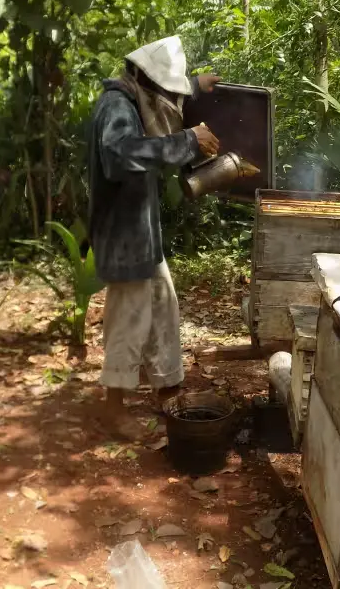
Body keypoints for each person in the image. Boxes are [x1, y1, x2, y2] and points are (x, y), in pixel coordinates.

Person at [87, 35, 220, 441]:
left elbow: (164, 99)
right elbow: (120, 154)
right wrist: (187, 142)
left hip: (140, 229)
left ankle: (169, 390)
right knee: (129, 317)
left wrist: (196, 86)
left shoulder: (136, 95)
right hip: (123, 233)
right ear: (146, 81)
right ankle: (113, 409)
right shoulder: (116, 106)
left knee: (162, 301)